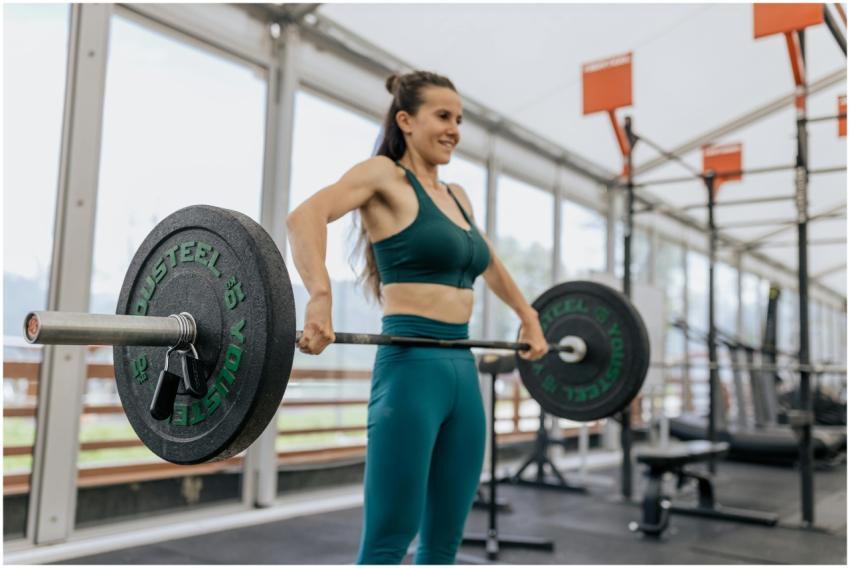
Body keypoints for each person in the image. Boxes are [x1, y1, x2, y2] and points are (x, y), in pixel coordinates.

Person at [286, 70, 549, 564]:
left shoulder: (458, 196)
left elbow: (489, 262)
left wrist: (528, 315)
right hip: (411, 369)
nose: (454, 129)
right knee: (389, 540)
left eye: (460, 119)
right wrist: (319, 294)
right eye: (443, 116)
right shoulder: (383, 176)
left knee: (444, 543)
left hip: (461, 371)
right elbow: (304, 217)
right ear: (406, 120)